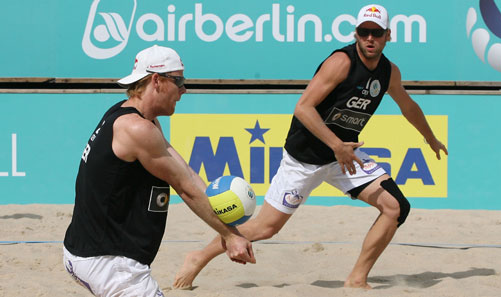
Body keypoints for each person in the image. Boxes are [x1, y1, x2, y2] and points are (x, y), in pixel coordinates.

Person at [173, 4, 448, 290]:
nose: (369, 38)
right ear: (356, 33)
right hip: (305, 158)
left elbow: (408, 105)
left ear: (388, 36)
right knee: (265, 228)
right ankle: (198, 257)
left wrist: (429, 137)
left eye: (376, 33)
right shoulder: (341, 62)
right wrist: (337, 145)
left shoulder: (388, 72)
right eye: (364, 32)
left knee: (396, 206)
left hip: (343, 156)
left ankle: (357, 279)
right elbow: (303, 107)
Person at [63, 45, 255, 296]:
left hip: (91, 251)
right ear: (157, 80)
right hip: (110, 263)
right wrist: (230, 236)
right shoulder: (137, 129)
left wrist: (226, 227)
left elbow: (185, 172)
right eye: (179, 81)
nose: (184, 90)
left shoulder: (137, 116)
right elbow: (185, 188)